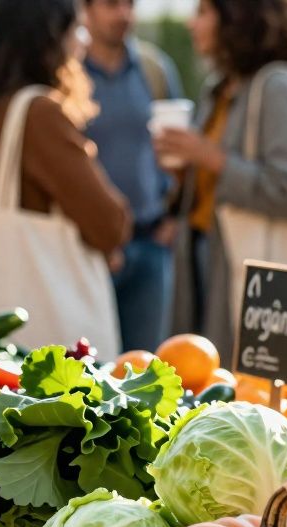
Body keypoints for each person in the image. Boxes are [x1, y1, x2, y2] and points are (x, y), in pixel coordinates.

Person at [0, 0, 130, 288]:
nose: (83, 41)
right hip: (39, 308)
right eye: (77, 29)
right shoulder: (38, 114)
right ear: (50, 38)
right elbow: (110, 224)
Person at [156, 0, 287, 357]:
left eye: (203, 12)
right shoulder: (220, 89)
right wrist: (186, 172)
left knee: (236, 384)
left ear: (237, 17)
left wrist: (209, 157)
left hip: (248, 268)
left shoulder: (277, 86)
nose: (191, 24)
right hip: (204, 255)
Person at [81, 0, 184, 353]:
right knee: (90, 365)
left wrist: (173, 216)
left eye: (129, 5)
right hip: (90, 248)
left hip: (150, 241)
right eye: (111, 5)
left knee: (145, 368)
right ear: (87, 10)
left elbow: (180, 149)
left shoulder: (155, 70)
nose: (123, 14)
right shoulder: (67, 74)